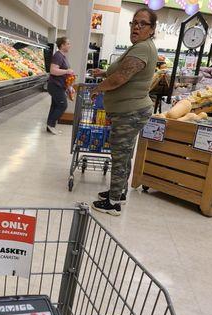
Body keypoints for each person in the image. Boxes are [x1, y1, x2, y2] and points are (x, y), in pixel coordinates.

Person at [89, 8, 158, 216]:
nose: (136, 27)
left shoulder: (142, 48)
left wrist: (98, 87)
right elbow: (122, 71)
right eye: (134, 22)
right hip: (131, 111)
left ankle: (113, 203)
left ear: (152, 29)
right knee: (125, 153)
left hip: (130, 112)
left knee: (119, 155)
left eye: (143, 24)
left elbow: (120, 78)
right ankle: (120, 193)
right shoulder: (139, 47)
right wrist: (104, 72)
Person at [46, 37, 74, 135]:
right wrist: (67, 71)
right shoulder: (58, 56)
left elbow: (65, 74)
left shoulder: (63, 56)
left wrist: (70, 86)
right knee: (62, 105)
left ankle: (50, 126)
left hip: (59, 85)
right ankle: (51, 125)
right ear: (62, 45)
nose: (69, 45)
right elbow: (53, 70)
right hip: (55, 86)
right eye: (68, 43)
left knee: (55, 105)